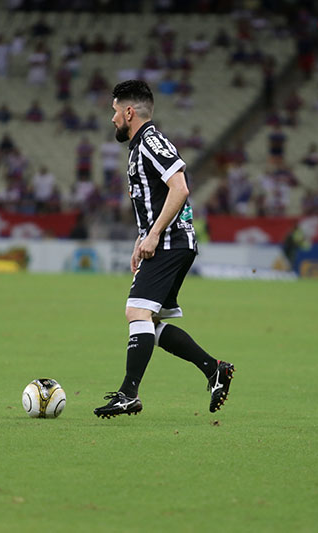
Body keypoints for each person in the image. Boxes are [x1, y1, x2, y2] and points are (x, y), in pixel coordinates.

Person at [93, 80, 234, 419]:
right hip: (169, 242)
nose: (112, 118)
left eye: (114, 111)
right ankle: (214, 369)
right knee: (150, 322)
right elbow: (154, 199)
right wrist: (140, 240)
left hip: (170, 243)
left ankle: (128, 393)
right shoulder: (139, 145)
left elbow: (180, 187)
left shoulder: (151, 142)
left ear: (129, 112)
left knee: (135, 312)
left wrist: (154, 236)